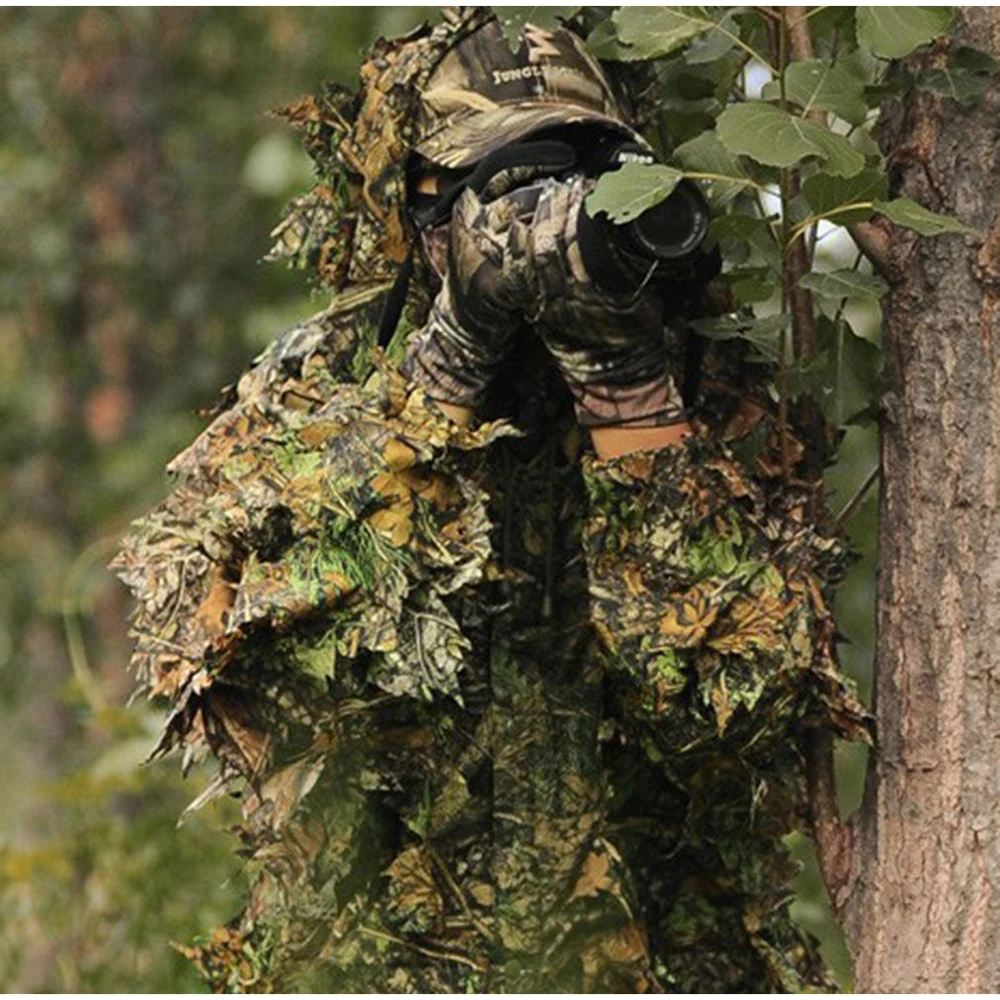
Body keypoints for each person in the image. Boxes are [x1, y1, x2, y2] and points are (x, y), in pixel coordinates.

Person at [114, 9, 867, 992]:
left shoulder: (698, 391)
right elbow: (279, 679)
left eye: (577, 171)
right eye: (502, 187)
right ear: (421, 214)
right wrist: (451, 364)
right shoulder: (323, 387)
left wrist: (627, 392)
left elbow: (729, 710)